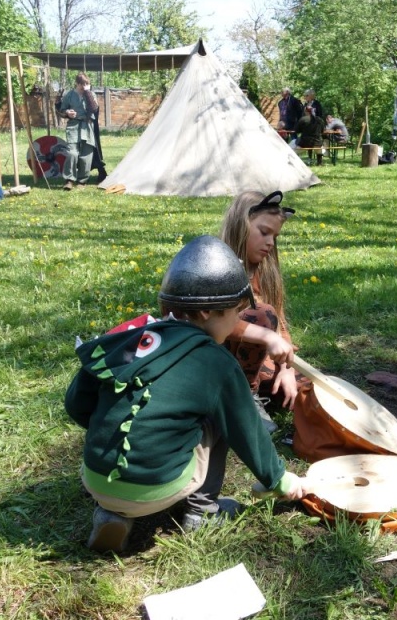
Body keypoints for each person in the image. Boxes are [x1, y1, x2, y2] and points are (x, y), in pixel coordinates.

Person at [65, 235, 305, 553]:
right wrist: (278, 479)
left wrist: (107, 428)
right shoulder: (216, 362)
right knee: (221, 416)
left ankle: (111, 512)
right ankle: (202, 512)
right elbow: (246, 429)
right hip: (157, 487)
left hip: (95, 477)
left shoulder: (133, 337)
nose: (237, 322)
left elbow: (76, 404)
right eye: (236, 311)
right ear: (207, 313)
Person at [220, 192, 303, 425]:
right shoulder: (215, 266)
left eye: (274, 236)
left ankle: (262, 392)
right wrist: (266, 335)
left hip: (253, 360)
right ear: (240, 225)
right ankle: (242, 401)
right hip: (215, 360)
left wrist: (286, 367)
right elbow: (215, 322)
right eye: (264, 232)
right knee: (261, 315)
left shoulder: (262, 271)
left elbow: (280, 322)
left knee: (307, 385)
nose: (270, 242)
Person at [57, 72, 98, 190]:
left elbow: (94, 109)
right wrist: (67, 113)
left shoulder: (91, 94)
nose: (85, 86)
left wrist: (88, 93)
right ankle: (69, 180)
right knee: (72, 153)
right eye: (83, 84)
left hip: (87, 126)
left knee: (86, 155)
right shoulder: (69, 95)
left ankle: (82, 181)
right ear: (77, 83)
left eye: (87, 84)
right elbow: (61, 111)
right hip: (73, 126)